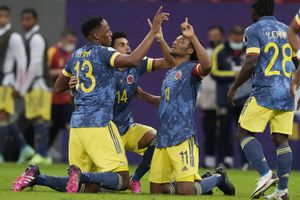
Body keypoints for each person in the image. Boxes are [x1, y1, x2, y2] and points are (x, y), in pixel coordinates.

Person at [12, 7, 169, 193]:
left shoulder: (76, 55)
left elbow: (57, 87)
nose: (110, 33)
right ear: (96, 36)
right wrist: (153, 32)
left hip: (77, 125)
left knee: (87, 189)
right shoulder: (104, 53)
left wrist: (72, 86)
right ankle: (82, 175)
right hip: (100, 122)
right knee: (122, 179)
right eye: (107, 31)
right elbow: (133, 60)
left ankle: (37, 177)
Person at [137, 18, 235, 196]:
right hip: (163, 138)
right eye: (175, 39)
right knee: (157, 190)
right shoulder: (171, 73)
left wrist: (193, 36)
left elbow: (208, 66)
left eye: (181, 41)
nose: (176, 41)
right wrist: (144, 95)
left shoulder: (191, 70)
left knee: (186, 191)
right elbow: (165, 101)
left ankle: (218, 178)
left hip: (183, 135)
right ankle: (200, 182)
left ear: (190, 50)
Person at [227, 0, 297, 199]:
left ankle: (265, 174)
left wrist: (234, 87)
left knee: (243, 132)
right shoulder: (286, 30)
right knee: (282, 140)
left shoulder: (254, 29)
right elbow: (297, 61)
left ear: (254, 10)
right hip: (287, 93)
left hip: (266, 90)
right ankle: (282, 191)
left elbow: (251, 61)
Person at [211, 25, 250, 169]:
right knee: (223, 131)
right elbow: (213, 72)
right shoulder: (220, 50)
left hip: (244, 97)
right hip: (225, 98)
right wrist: (232, 75)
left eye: (240, 37)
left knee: (244, 131)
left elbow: (254, 68)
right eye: (235, 36)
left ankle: (246, 162)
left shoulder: (248, 49)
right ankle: (220, 161)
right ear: (230, 36)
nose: (238, 39)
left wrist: (242, 76)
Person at [0, 5, 35, 163]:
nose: (2, 19)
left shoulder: (13, 36)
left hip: (6, 81)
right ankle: (24, 147)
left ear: (9, 17)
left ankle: (1, 154)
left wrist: (21, 86)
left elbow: (22, 62)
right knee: (5, 118)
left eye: (5, 16)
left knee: (2, 117)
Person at [18, 8, 52, 165]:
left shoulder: (36, 38)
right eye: (23, 19)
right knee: (36, 119)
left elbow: (36, 64)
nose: (25, 22)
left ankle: (43, 154)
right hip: (33, 84)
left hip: (38, 83)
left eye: (28, 19)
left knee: (40, 119)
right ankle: (41, 153)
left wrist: (23, 86)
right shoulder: (29, 37)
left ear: (35, 21)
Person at [48, 28, 77, 162]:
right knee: (51, 128)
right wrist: (63, 72)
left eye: (73, 42)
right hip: (53, 98)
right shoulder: (52, 51)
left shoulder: (74, 56)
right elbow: (45, 72)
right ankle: (43, 153)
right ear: (63, 39)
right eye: (69, 41)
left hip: (67, 99)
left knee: (70, 127)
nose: (71, 44)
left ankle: (75, 155)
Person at [196, 25, 223, 168]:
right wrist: (199, 97)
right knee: (209, 132)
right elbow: (201, 77)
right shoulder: (204, 54)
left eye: (216, 35)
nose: (213, 38)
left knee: (225, 132)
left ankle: (225, 160)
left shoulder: (225, 53)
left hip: (224, 99)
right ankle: (210, 160)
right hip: (208, 99)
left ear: (221, 36)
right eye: (211, 35)